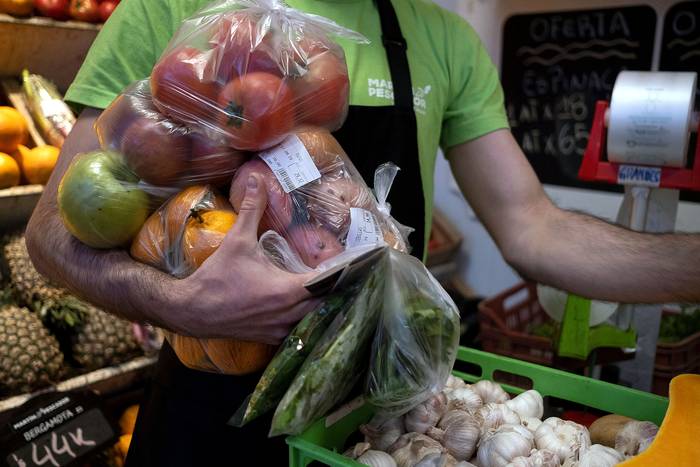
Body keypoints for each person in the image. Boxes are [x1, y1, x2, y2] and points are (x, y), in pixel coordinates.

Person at [26, 0, 700, 465]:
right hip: (211, 398)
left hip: (381, 422)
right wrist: (179, 303)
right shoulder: (166, 13)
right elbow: (52, 234)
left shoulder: (439, 36)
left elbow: (535, 227)